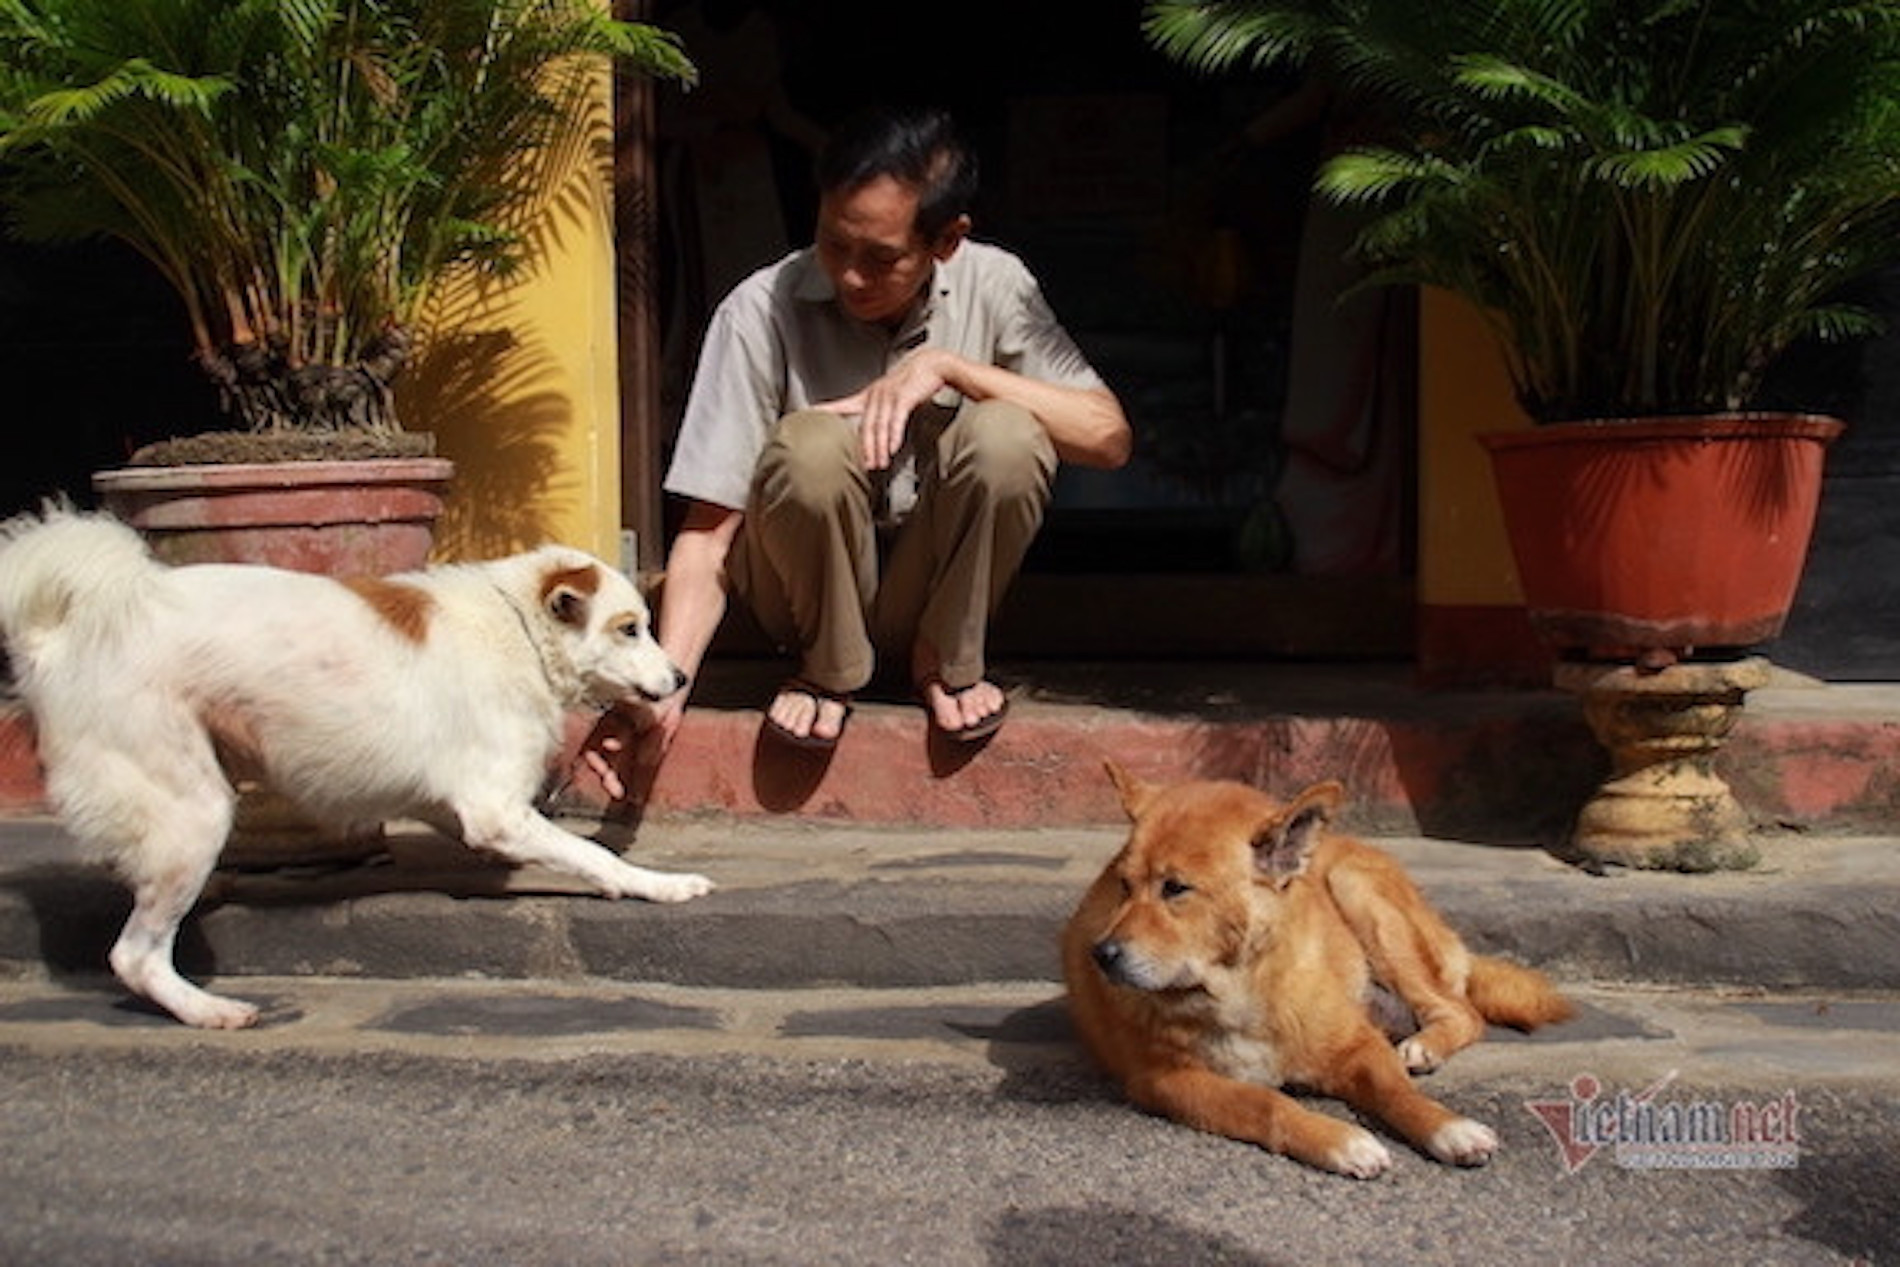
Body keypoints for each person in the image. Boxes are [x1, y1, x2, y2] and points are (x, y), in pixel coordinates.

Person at [630, 106, 1131, 761]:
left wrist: (951, 368)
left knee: (1009, 432)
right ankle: (828, 670)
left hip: (926, 591)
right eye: (835, 244)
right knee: (809, 445)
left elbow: (1107, 437)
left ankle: (944, 657)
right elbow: (707, 532)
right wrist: (667, 684)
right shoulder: (759, 307)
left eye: (881, 258)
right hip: (801, 602)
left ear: (947, 241)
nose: (850, 276)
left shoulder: (996, 283)